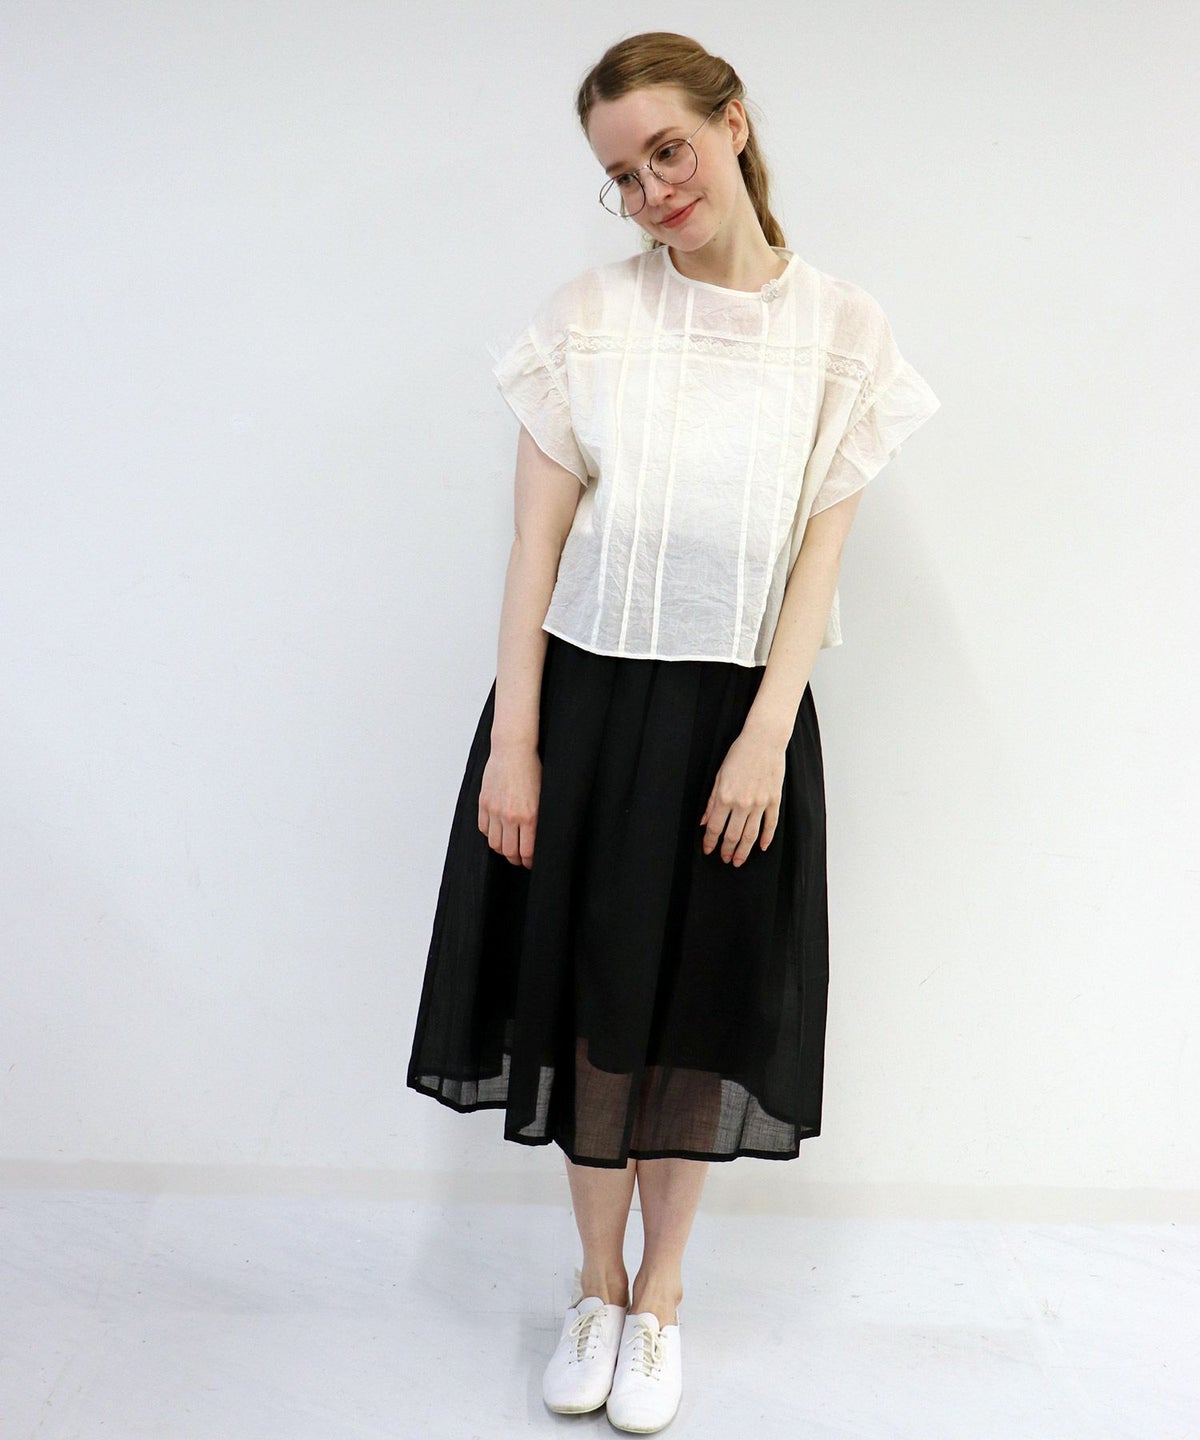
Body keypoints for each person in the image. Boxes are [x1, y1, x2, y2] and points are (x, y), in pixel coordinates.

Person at [406, 30, 940, 1434]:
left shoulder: (843, 333)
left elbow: (817, 566)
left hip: (736, 719)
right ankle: (594, 1286)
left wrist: (766, 737)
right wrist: (515, 746)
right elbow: (534, 552)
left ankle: (662, 1301)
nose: (653, 193)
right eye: (624, 177)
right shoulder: (589, 320)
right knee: (592, 1009)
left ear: (734, 125)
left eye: (668, 153)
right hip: (583, 707)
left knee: (695, 1013)